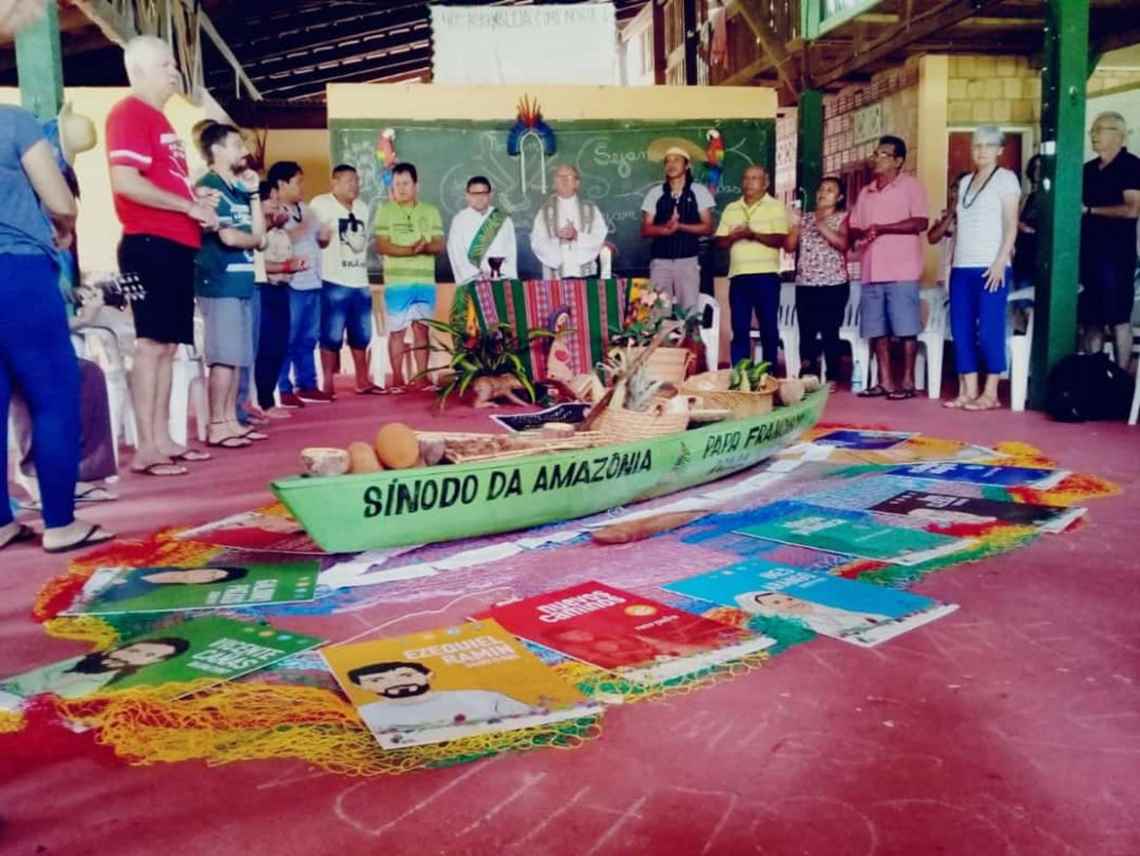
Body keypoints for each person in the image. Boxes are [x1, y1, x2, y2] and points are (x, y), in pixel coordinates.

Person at [0, 106, 115, 553]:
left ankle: (2, 523)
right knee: (54, 396)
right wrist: (64, 227)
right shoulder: (12, 121)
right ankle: (61, 522)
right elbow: (61, 200)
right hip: (16, 269)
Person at [107, 35, 218, 476]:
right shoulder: (129, 113)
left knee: (169, 346)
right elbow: (125, 182)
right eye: (166, 65)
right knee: (151, 344)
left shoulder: (158, 119)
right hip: (148, 246)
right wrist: (187, 206)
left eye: (174, 64)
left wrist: (195, 199)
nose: (175, 71)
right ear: (139, 71)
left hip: (174, 245)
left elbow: (161, 183)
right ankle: (147, 448)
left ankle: (164, 438)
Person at [193, 122, 266, 449]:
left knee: (236, 356)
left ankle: (231, 420)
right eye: (237, 145)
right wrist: (253, 239)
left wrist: (254, 194)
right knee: (222, 357)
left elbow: (260, 235)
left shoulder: (237, 189)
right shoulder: (207, 188)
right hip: (219, 281)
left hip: (242, 282)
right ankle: (217, 425)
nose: (244, 151)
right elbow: (230, 237)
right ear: (217, 150)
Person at [847, 135, 930, 400]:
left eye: (884, 154)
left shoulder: (911, 187)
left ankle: (907, 382)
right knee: (877, 330)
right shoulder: (866, 192)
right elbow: (855, 225)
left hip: (901, 271)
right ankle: (885, 382)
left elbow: (921, 222)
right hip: (871, 270)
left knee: (906, 329)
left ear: (898, 160)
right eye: (876, 153)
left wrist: (883, 229)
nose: (877, 158)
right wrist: (860, 235)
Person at [943, 126, 1020, 411]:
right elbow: (960, 228)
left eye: (988, 145)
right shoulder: (965, 182)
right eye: (977, 145)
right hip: (962, 266)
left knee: (989, 329)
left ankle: (991, 393)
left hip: (991, 266)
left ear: (1000, 150)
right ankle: (969, 391)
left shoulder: (1006, 179)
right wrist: (950, 266)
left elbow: (1011, 224)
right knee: (960, 329)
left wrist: (1000, 261)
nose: (981, 151)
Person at [310, 164, 379, 395]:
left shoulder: (362, 207)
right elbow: (313, 238)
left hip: (360, 281)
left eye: (356, 180)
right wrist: (322, 239)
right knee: (330, 335)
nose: (354, 185)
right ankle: (327, 383)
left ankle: (363, 380)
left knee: (362, 334)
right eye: (349, 180)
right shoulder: (321, 204)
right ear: (335, 182)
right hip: (333, 280)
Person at [374, 162, 444, 390]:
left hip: (424, 283)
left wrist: (425, 247)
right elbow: (382, 245)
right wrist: (412, 250)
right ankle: (397, 379)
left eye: (406, 183)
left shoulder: (430, 211)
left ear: (416, 185)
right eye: (397, 184)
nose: (402, 188)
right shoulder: (385, 211)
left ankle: (421, 378)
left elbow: (439, 244)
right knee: (397, 332)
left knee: (422, 329)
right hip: (397, 283)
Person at [1080, 111, 1140, 369]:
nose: (1094, 135)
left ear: (1119, 135)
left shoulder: (1131, 165)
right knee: (1090, 318)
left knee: (1118, 319)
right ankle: (1095, 374)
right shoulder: (1088, 169)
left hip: (1117, 256)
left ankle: (1122, 377)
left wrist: (1090, 210)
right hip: (1088, 253)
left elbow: (1132, 209)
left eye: (1100, 129)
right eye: (1092, 130)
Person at [270, 161, 332, 408]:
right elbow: (274, 239)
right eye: (297, 182)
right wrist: (302, 229)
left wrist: (325, 237)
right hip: (291, 284)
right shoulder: (273, 211)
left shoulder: (307, 210)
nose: (302, 187)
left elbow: (319, 242)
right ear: (282, 184)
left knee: (308, 339)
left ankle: (307, 384)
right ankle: (283, 388)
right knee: (287, 338)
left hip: (313, 281)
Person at [714, 164, 789, 367]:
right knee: (739, 328)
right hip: (739, 276)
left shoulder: (776, 206)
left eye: (755, 178)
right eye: (746, 178)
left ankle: (768, 372)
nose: (749, 183)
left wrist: (752, 234)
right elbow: (719, 242)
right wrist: (734, 236)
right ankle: (741, 373)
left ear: (766, 183)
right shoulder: (732, 208)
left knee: (768, 328)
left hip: (767, 276)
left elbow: (780, 239)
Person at [348, 661, 532, 734]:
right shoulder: (362, 715)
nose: (395, 683)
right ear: (360, 686)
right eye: (377, 680)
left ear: (428, 675)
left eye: (406, 675)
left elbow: (533, 723)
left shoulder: (484, 698)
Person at [787, 177, 849, 380]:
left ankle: (832, 375)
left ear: (839, 197)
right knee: (806, 332)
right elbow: (789, 247)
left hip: (833, 284)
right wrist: (794, 226)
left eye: (830, 190)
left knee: (830, 331)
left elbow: (843, 244)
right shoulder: (804, 218)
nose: (823, 193)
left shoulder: (843, 218)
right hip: (805, 284)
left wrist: (821, 225)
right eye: (821, 189)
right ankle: (808, 374)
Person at [640, 146, 716, 311]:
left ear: (687, 165)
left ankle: (688, 330)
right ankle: (660, 329)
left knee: (689, 313)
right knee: (657, 313)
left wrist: (680, 226)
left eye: (676, 160)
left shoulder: (699, 192)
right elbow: (645, 229)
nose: (671, 164)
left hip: (688, 261)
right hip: (660, 262)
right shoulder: (655, 193)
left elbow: (708, 228)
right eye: (667, 161)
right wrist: (665, 229)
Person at [0, 638, 189, 702]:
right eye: (133, 650)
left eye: (148, 655)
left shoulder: (98, 683)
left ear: (153, 662)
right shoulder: (83, 660)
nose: (129, 657)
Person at [253, 182, 296, 417]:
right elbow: (259, 262)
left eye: (277, 199)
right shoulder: (254, 230)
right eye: (272, 199)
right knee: (266, 347)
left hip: (282, 289)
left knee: (279, 345)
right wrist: (286, 266)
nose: (277, 204)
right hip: (264, 289)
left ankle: (267, 400)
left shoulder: (280, 229)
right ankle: (263, 402)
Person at [530, 164, 609, 279]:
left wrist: (577, 236)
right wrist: (557, 239)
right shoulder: (544, 212)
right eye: (560, 177)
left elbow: (600, 238)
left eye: (569, 176)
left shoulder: (591, 210)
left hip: (586, 274)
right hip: (555, 276)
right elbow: (537, 242)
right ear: (554, 183)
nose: (564, 180)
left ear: (577, 183)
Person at [446, 175, 518, 284]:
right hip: (473, 282)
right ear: (467, 195)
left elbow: (511, 253)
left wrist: (502, 275)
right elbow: (457, 255)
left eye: (483, 193)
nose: (479, 198)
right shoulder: (459, 221)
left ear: (490, 194)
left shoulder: (503, 219)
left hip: (502, 280)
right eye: (474, 194)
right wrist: (478, 276)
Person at [88, 565, 249, 604]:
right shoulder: (162, 565)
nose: (205, 575)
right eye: (212, 571)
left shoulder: (141, 593)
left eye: (211, 578)